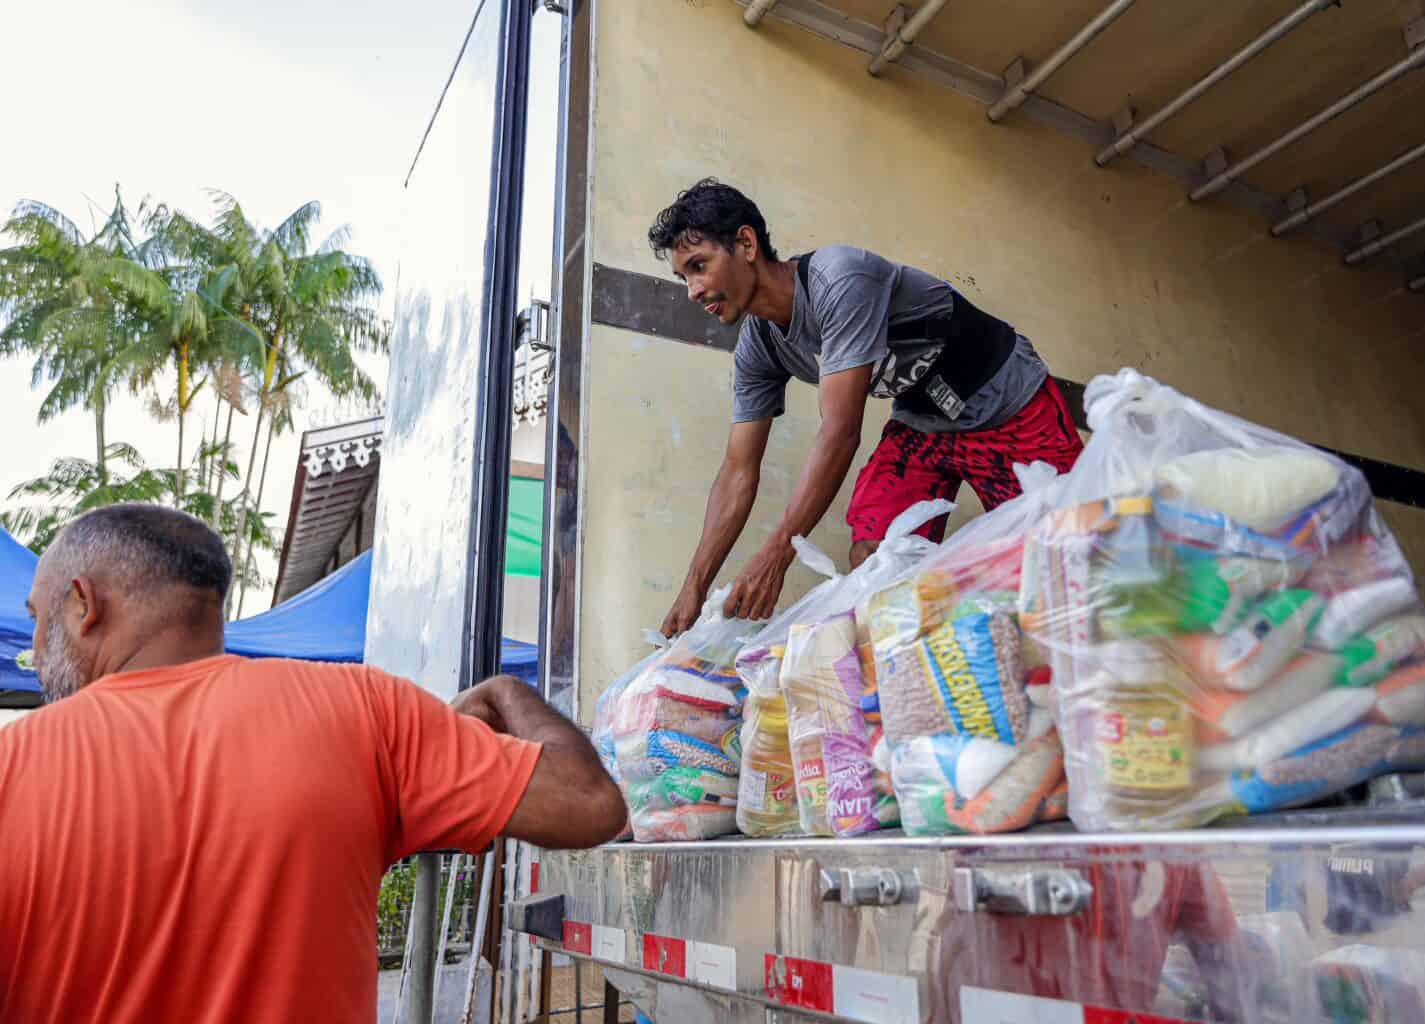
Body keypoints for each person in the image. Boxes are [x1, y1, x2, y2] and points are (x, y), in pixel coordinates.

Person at [0, 504, 626, 1024]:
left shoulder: (12, 767)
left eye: (36, 617)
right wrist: (507, 695)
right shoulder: (364, 711)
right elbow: (590, 803)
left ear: (84, 604)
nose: (32, 646)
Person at [650, 179, 1083, 636]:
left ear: (746, 243)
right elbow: (739, 469)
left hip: (1007, 403)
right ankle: (934, 681)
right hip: (923, 422)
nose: (693, 290)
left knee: (1064, 552)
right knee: (875, 555)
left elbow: (839, 432)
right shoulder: (758, 349)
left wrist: (778, 553)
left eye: (700, 266)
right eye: (684, 277)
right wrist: (693, 587)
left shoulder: (839, 278)